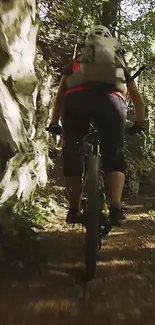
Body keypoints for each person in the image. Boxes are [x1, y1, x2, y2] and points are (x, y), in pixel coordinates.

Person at [48, 25, 145, 226]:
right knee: (114, 155)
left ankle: (74, 207)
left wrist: (54, 123)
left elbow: (59, 97)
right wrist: (139, 122)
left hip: (76, 101)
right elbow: (137, 99)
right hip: (112, 103)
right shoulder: (117, 61)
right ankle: (116, 207)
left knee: (72, 151)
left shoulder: (77, 60)